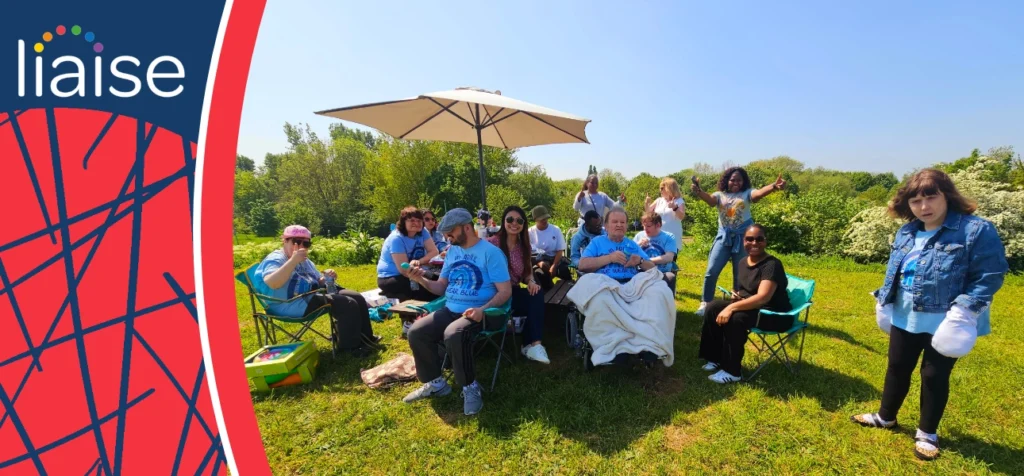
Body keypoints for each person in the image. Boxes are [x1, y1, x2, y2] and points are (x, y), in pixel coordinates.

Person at [851, 169, 1008, 461]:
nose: (924, 207)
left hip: (946, 320)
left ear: (946, 195)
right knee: (897, 366)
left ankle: (927, 433)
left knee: (934, 375)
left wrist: (964, 311)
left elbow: (990, 275)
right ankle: (886, 417)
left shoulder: (975, 229)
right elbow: (896, 270)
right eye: (915, 201)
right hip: (905, 313)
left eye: (930, 197)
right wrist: (885, 300)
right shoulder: (908, 231)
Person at [402, 209, 513, 416]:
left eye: (451, 232)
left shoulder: (491, 253)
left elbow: (505, 292)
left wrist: (483, 310)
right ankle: (436, 383)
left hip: (483, 312)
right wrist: (420, 279)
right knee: (416, 331)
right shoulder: (452, 251)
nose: (447, 237)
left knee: (454, 333)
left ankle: (470, 387)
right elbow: (440, 288)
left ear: (467, 227)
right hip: (451, 309)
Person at [254, 225, 379, 357]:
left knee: (356, 297)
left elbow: (316, 281)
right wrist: (293, 261)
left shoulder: (304, 260)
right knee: (346, 303)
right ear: (284, 241)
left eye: (306, 243)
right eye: (296, 241)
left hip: (308, 296)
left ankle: (366, 338)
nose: (301, 246)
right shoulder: (275, 259)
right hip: (288, 304)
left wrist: (327, 277)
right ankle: (349, 348)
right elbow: (273, 283)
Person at [697, 224, 791, 384]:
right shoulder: (742, 262)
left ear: (765, 241)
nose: (754, 243)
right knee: (712, 307)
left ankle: (732, 371)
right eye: (750, 239)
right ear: (743, 240)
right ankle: (715, 358)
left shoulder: (772, 265)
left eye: (759, 239)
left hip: (774, 314)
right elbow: (748, 290)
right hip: (754, 309)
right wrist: (738, 296)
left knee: (735, 318)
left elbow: (763, 298)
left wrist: (731, 307)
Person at [690, 168, 786, 316]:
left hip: (743, 239)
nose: (736, 182)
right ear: (727, 180)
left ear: (744, 181)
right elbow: (709, 200)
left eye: (739, 180)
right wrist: (698, 191)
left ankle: (738, 303)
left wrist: (773, 186)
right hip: (724, 237)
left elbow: (758, 193)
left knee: (740, 273)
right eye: (733, 179)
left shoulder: (747, 193)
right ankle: (705, 303)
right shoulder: (719, 195)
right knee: (711, 271)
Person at [487, 206, 550, 364]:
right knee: (533, 302)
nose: (514, 223)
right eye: (510, 219)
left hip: (512, 292)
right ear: (503, 221)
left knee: (536, 294)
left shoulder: (524, 247)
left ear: (524, 224)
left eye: (519, 220)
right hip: (492, 292)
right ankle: (529, 344)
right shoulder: (491, 244)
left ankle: (533, 344)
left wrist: (531, 282)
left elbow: (527, 273)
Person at [376, 206, 441, 302]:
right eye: (412, 220)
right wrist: (423, 279)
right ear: (403, 222)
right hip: (391, 276)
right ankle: (415, 315)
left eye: (419, 220)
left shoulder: (423, 232)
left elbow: (434, 251)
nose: (416, 223)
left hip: (413, 271)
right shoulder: (396, 238)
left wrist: (419, 262)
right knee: (426, 290)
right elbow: (403, 270)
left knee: (439, 280)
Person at [579, 208, 656, 282]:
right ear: (606, 226)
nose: (619, 225)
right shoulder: (597, 242)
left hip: (632, 284)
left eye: (622, 222)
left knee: (660, 288)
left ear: (626, 226)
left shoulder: (632, 244)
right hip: (604, 285)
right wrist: (610, 258)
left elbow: (652, 268)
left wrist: (640, 261)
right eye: (615, 222)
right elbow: (582, 265)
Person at [634, 212, 678, 292]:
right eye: (644, 225)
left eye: (648, 226)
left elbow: (669, 257)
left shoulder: (668, 237)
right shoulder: (639, 236)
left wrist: (646, 261)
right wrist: (638, 244)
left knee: (670, 277)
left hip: (662, 272)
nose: (645, 228)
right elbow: (629, 254)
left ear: (658, 225)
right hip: (641, 272)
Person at [528, 205, 570, 289]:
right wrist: (539, 263)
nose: (544, 221)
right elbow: (529, 253)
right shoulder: (530, 232)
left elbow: (560, 250)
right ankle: (548, 295)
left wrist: (554, 265)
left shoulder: (555, 229)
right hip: (539, 260)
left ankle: (568, 292)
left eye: (546, 218)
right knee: (540, 275)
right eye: (541, 219)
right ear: (535, 219)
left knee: (564, 271)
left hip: (555, 259)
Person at [644, 177, 686, 253]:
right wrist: (647, 203)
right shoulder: (659, 200)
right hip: (658, 237)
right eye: (660, 188)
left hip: (672, 237)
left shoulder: (679, 201)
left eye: (662, 188)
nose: (660, 190)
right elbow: (648, 212)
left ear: (670, 189)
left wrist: (674, 207)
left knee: (670, 262)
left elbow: (681, 216)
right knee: (657, 260)